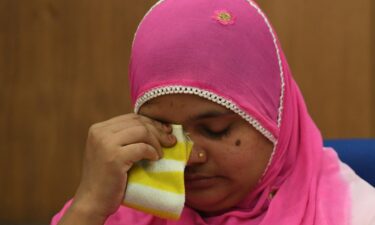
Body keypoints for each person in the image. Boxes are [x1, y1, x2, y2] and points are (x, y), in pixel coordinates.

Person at [51, 0, 375, 224]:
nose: (190, 158)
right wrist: (88, 206)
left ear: (274, 121)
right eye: (165, 130)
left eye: (217, 129)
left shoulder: (354, 215)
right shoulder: (117, 211)